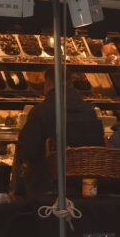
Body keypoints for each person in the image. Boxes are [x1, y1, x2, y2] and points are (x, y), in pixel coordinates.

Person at [15, 68, 105, 197]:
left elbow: (27, 150)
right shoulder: (89, 111)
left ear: (50, 82)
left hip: (48, 188)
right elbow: (98, 147)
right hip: (84, 187)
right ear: (69, 82)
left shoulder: (41, 112)